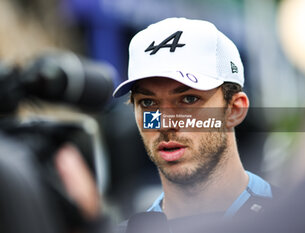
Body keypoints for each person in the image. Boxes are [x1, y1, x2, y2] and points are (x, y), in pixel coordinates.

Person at [56, 17, 276, 232]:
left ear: (234, 109)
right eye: (148, 103)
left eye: (189, 99)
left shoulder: (298, 218)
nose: (164, 123)